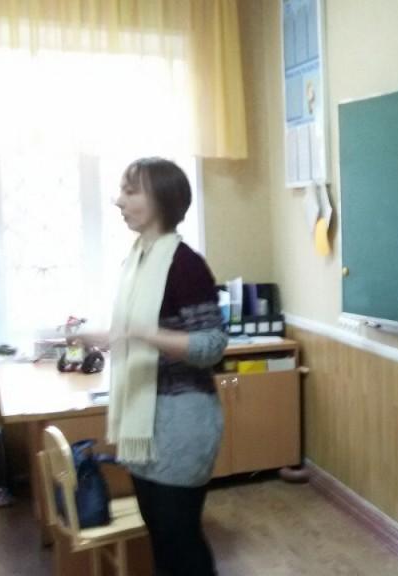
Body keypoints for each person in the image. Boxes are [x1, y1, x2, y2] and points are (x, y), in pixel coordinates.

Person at [107, 157, 227, 576]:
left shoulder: (184, 264)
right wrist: (114, 336)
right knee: (161, 537)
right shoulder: (137, 260)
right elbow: (134, 334)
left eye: (130, 191)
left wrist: (143, 333)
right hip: (143, 420)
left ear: (161, 199)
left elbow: (212, 346)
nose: (118, 201)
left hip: (181, 423)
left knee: (180, 539)